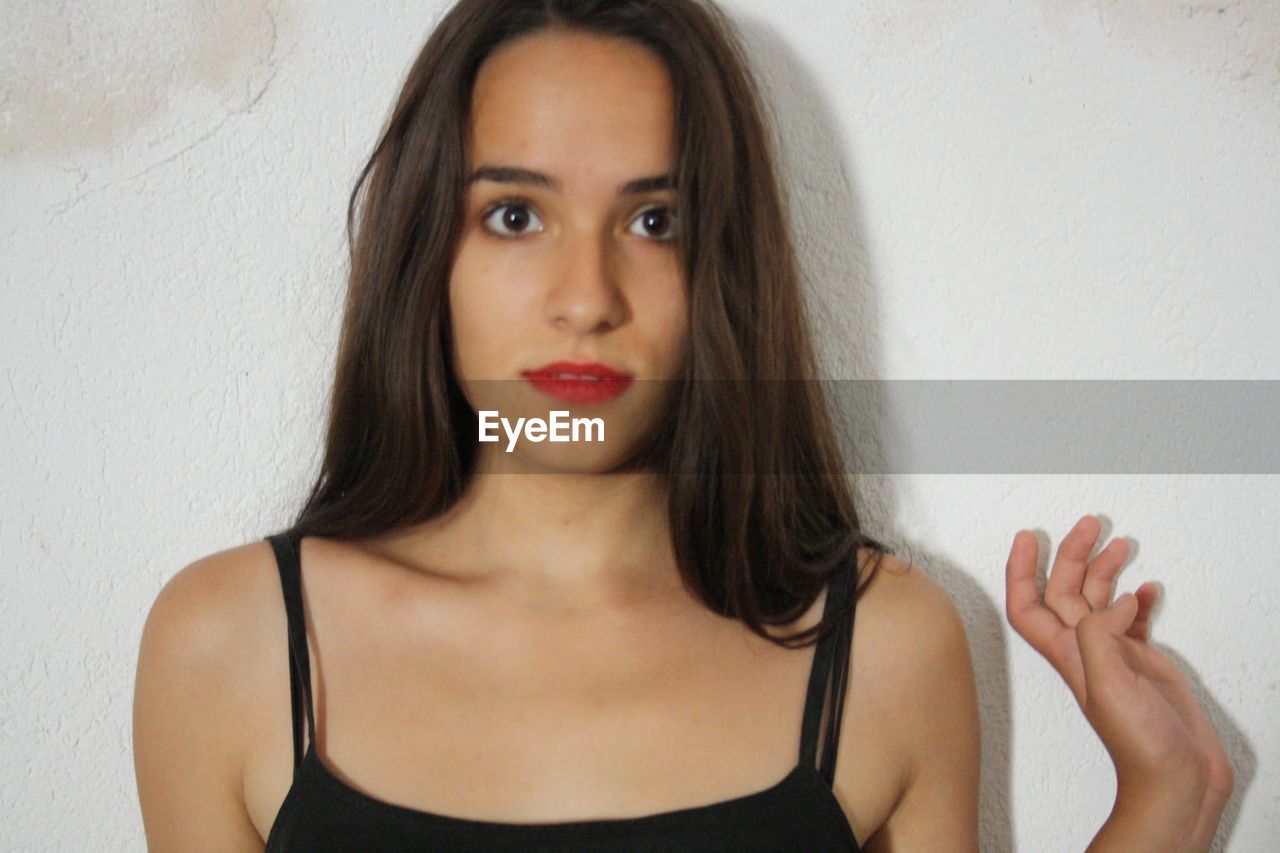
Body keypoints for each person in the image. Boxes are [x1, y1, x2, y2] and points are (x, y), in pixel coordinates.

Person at [131, 0, 1234, 850]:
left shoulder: (883, 644)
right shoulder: (231, 644)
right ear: (426, 256)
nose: (585, 295)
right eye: (514, 215)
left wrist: (1168, 799)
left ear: (724, 268)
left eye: (654, 221)